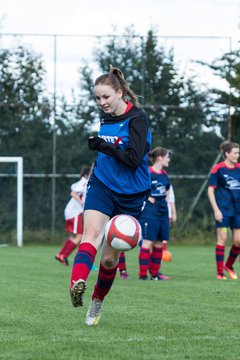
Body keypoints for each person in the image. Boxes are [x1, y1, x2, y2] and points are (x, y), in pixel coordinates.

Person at [70, 66, 152, 326]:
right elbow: (108, 153)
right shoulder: (105, 117)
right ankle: (77, 283)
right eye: (97, 98)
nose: (101, 102)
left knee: (109, 258)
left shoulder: (137, 118)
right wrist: (100, 148)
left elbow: (133, 158)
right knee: (90, 234)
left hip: (132, 194)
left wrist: (102, 145)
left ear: (119, 93)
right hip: (102, 184)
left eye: (106, 97)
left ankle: (97, 301)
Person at [208, 140, 240, 280]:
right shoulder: (218, 169)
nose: (237, 155)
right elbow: (210, 191)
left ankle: (229, 265)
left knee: (238, 241)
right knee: (222, 239)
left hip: (237, 210)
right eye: (235, 153)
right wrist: (216, 210)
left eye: (238, 153)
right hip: (223, 209)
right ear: (227, 154)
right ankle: (220, 273)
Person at [138, 147, 172, 281]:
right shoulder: (148, 172)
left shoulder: (165, 174)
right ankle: (142, 275)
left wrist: (166, 200)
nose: (169, 159)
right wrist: (147, 197)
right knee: (147, 242)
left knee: (159, 243)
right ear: (160, 158)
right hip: (150, 212)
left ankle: (155, 274)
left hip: (162, 211)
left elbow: (167, 188)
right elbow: (139, 188)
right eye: (167, 157)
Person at [55, 166, 92, 266]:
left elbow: (73, 186)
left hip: (72, 212)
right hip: (74, 212)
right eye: (91, 173)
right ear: (86, 174)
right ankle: (64, 256)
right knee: (79, 236)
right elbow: (73, 192)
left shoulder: (84, 182)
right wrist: (81, 202)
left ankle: (60, 254)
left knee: (74, 236)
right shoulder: (84, 182)